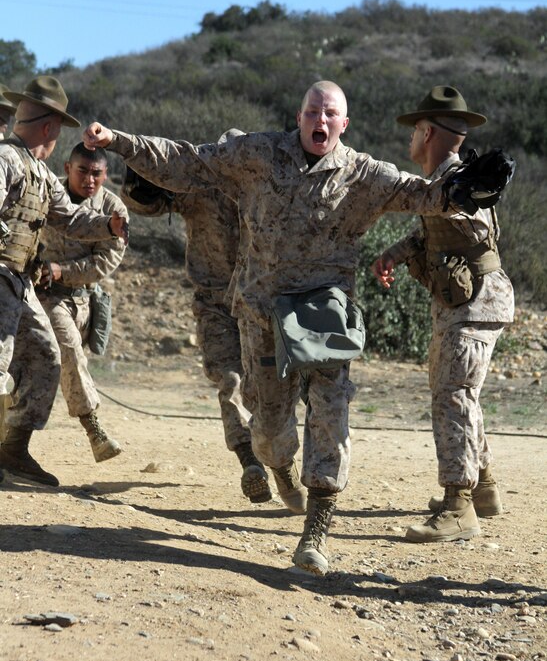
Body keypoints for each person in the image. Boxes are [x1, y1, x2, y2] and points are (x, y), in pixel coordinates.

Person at [82, 80, 484, 575]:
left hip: (323, 313)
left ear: (344, 124)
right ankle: (279, 467)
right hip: (261, 311)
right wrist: (119, 142)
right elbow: (187, 160)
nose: (321, 121)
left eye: (330, 114)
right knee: (269, 430)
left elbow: (423, 195)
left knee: (330, 412)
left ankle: (316, 530)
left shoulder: (363, 174)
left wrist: (466, 187)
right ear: (299, 117)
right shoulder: (257, 155)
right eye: (313, 112)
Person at [372, 85, 514, 543]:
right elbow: (432, 231)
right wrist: (394, 253)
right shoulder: (445, 183)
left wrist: (458, 192)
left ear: (427, 132)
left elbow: (463, 216)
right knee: (459, 393)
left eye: (415, 131)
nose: (410, 139)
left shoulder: (458, 185)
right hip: (464, 304)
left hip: (475, 304)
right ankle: (483, 489)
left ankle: (458, 507)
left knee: (453, 396)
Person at [120, 131, 272, 503]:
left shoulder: (268, 193)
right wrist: (138, 179)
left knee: (270, 389)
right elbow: (153, 203)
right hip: (215, 304)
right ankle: (250, 460)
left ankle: (280, 460)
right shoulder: (200, 187)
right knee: (230, 379)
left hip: (261, 308)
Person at [0, 76, 128, 487]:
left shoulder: (39, 172)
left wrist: (107, 226)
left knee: (45, 356)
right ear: (50, 128)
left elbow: (69, 218)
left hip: (19, 284)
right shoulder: (6, 159)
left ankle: (13, 449)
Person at [36, 143, 127, 462]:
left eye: (96, 174)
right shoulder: (47, 195)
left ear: (106, 175)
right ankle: (92, 430)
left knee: (63, 355)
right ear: (67, 169)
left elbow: (106, 261)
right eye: (83, 171)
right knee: (64, 350)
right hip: (41, 295)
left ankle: (16, 442)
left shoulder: (112, 209)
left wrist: (61, 270)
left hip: (82, 300)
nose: (89, 180)